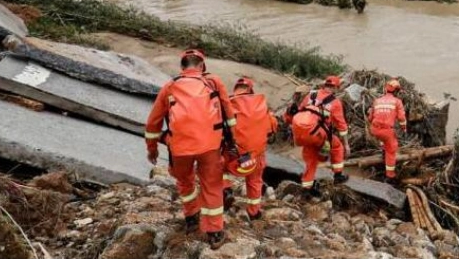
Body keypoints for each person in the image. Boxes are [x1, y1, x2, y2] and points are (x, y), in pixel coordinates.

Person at [144, 49, 237, 248]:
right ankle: (214, 232)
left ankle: (192, 216)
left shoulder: (170, 86)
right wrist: (233, 142)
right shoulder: (213, 82)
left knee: (185, 181)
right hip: (210, 145)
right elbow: (229, 115)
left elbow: (153, 124)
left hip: (180, 147)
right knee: (212, 185)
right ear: (202, 66)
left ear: (182, 67)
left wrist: (152, 149)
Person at [222, 77, 277, 221]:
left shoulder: (227, 103)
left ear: (236, 88)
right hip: (255, 155)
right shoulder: (261, 106)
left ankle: (225, 188)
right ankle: (253, 212)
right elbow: (272, 128)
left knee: (219, 168)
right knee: (255, 180)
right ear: (251, 90)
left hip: (233, 153)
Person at [285, 75, 349, 195]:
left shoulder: (311, 95)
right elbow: (341, 125)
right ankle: (338, 175)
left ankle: (306, 188)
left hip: (302, 133)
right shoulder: (335, 102)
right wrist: (346, 144)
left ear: (324, 85)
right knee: (336, 146)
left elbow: (300, 111)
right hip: (318, 133)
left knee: (311, 160)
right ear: (336, 88)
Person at [368, 79, 408, 181]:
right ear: (396, 91)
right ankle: (390, 176)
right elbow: (402, 118)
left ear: (386, 89)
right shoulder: (397, 102)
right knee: (391, 149)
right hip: (386, 131)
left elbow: (370, 118)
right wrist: (404, 129)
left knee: (383, 139)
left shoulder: (377, 100)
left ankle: (383, 152)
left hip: (374, 129)